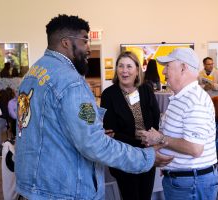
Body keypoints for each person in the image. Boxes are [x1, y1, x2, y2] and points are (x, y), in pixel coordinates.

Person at [15, 14, 173, 200]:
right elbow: (94, 144)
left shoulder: (32, 74)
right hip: (64, 190)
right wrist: (146, 158)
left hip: (34, 186)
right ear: (66, 42)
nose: (88, 48)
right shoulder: (71, 83)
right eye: (84, 41)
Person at [139, 48, 218, 200]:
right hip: (183, 181)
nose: (163, 72)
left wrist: (160, 139)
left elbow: (195, 148)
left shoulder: (195, 100)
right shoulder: (180, 97)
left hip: (191, 184)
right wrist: (169, 163)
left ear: (183, 68)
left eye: (167, 66)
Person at [101, 51, 160, 200]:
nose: (124, 70)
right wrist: (141, 138)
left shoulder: (146, 89)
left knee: (145, 196)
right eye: (120, 66)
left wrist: (150, 139)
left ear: (137, 70)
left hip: (147, 154)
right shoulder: (109, 94)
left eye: (129, 66)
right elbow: (111, 130)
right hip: (124, 155)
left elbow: (155, 116)